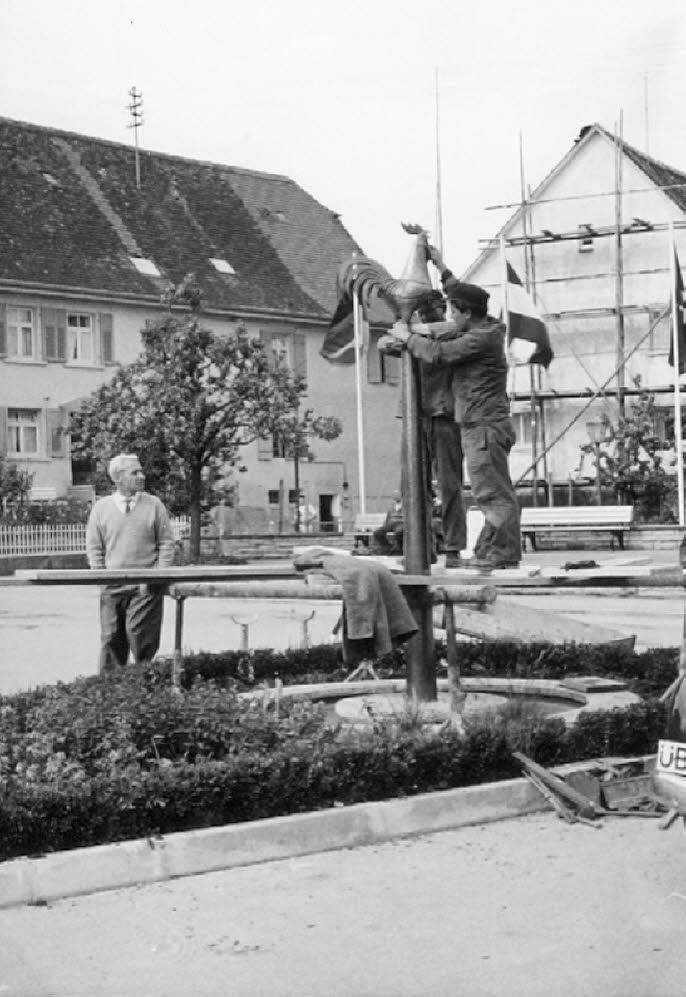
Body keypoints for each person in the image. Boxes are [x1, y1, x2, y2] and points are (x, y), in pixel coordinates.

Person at [389, 250, 521, 570]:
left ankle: (503, 553)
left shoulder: (477, 339)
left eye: (453, 310)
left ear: (464, 313)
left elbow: (438, 353)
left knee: (491, 494)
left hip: (483, 426)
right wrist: (438, 263)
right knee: (489, 491)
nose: (450, 315)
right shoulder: (484, 325)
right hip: (483, 426)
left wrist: (408, 337)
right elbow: (457, 299)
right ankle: (492, 551)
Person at [86, 453, 175, 672]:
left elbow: (166, 543)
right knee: (111, 638)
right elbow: (94, 547)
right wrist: (101, 578)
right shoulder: (101, 508)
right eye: (135, 472)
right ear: (118, 477)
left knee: (140, 636)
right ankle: (110, 693)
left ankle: (144, 685)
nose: (142, 476)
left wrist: (157, 576)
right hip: (112, 585)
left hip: (145, 585)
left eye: (141, 471)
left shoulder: (154, 505)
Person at [412, 289, 467, 568]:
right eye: (421, 309)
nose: (425, 312)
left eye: (429, 307)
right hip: (417, 418)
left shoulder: (452, 333)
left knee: (450, 486)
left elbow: (452, 329)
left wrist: (413, 332)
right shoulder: (416, 335)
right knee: (416, 487)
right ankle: (423, 547)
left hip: (444, 416)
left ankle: (454, 548)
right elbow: (386, 343)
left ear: (441, 306)